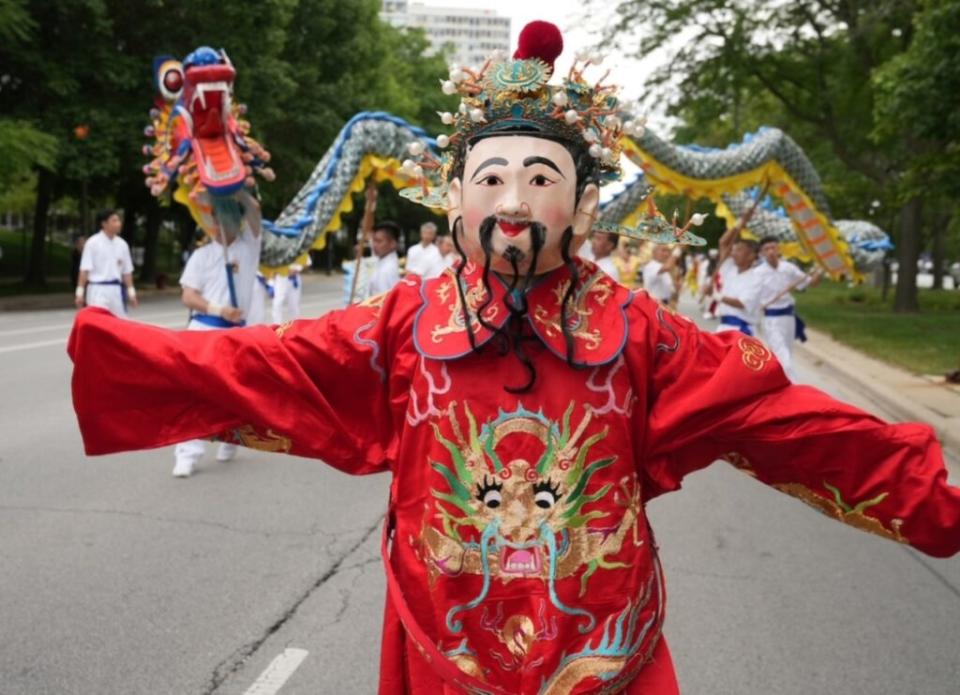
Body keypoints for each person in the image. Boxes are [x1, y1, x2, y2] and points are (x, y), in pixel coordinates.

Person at [68, 21, 959, 695]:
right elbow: (268, 366)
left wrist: (932, 494)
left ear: (579, 204)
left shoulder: (639, 331)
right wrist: (127, 362)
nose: (514, 199)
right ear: (455, 198)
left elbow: (779, 419)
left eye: (541, 178)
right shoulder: (405, 322)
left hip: (604, 652)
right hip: (444, 648)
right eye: (492, 177)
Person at [171, 221, 260, 477]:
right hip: (203, 329)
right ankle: (187, 453)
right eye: (215, 219)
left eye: (225, 216)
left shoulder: (248, 249)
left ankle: (230, 439)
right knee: (195, 394)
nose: (219, 224)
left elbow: (255, 213)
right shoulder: (201, 255)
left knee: (233, 393)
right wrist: (219, 310)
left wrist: (243, 186)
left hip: (235, 334)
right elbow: (188, 296)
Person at [755, 236, 823, 381]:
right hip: (771, 319)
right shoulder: (757, 273)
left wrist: (820, 269)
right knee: (783, 356)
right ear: (761, 252)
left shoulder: (788, 268)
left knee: (786, 353)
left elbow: (810, 283)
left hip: (788, 318)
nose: (771, 251)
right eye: (767, 249)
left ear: (778, 249)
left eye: (773, 247)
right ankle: (794, 386)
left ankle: (776, 384)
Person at [75, 210, 138, 317]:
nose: (119, 223)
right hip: (97, 290)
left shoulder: (122, 244)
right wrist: (79, 293)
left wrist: (131, 293)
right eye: (114, 220)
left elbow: (127, 272)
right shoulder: (92, 243)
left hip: (116, 290)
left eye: (119, 220)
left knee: (119, 324)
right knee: (99, 323)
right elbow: (84, 270)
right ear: (104, 224)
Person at [715, 237, 762, 335]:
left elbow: (741, 303)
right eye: (733, 250)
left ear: (751, 255)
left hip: (741, 330)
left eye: (739, 250)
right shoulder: (729, 269)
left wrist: (716, 295)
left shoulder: (757, 278)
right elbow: (723, 242)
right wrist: (739, 223)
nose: (733, 253)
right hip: (723, 327)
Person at [366, 220, 401, 298]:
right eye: (374, 240)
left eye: (379, 241)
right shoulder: (381, 260)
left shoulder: (388, 269)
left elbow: (385, 301)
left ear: (392, 244)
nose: (374, 245)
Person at [272, 257, 310, 324]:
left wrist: (298, 269)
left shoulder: (299, 248)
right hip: (281, 278)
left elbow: (308, 263)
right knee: (277, 303)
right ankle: (276, 326)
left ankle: (294, 327)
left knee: (294, 305)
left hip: (294, 278)